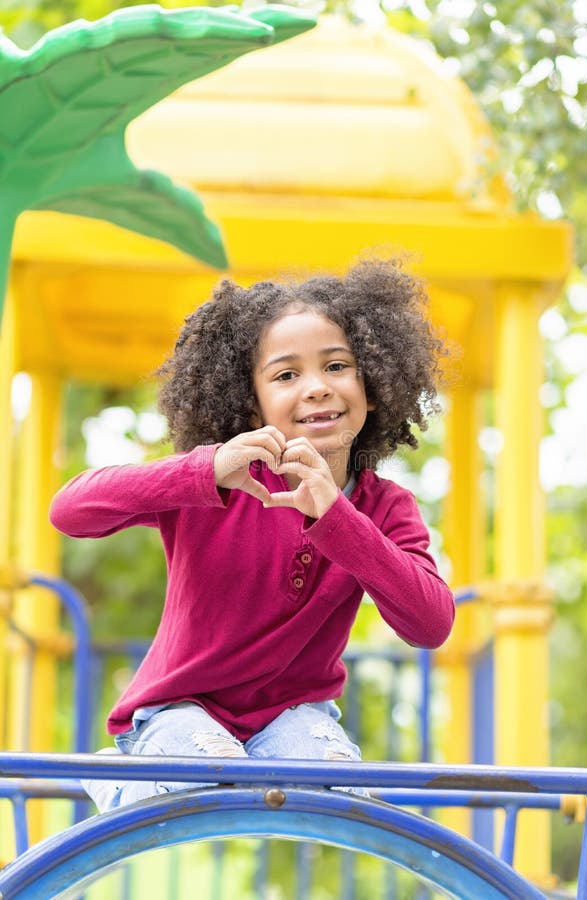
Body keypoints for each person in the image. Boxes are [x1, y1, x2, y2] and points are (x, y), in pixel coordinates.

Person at [50, 258, 455, 812]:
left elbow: (431, 623)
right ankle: (127, 779)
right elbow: (70, 511)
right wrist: (203, 471)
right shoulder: (215, 479)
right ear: (252, 402)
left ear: (375, 385)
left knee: (344, 799)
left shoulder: (384, 507)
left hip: (294, 718)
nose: (316, 388)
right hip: (179, 708)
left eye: (337, 366)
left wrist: (338, 519)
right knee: (216, 777)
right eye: (286, 375)